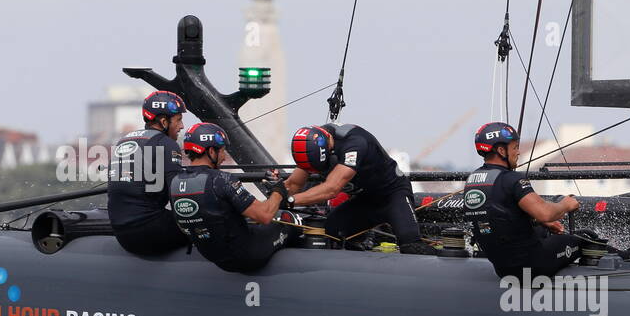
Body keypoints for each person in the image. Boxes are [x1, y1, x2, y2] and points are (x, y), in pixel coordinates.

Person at [169, 123, 301, 273]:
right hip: (246, 256)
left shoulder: (175, 181)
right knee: (287, 219)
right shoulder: (221, 179)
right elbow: (265, 215)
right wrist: (278, 189)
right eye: (223, 151)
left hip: (215, 257)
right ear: (211, 151)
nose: (224, 158)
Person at [282, 122, 433, 254]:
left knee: (411, 246)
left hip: (393, 194)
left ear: (327, 147)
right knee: (330, 232)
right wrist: (272, 203)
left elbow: (331, 189)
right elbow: (293, 184)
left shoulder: (354, 143)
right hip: (365, 201)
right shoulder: (312, 148)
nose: (314, 172)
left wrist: (289, 200)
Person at [461, 122, 583, 278]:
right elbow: (546, 213)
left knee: (542, 232)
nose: (518, 152)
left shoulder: (473, 180)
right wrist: (566, 204)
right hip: (533, 267)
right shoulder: (512, 179)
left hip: (503, 269)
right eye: (515, 147)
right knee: (585, 238)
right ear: (501, 150)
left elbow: (500, 215)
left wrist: (539, 222)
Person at [106, 90, 188, 256]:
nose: (182, 126)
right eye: (178, 120)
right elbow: (179, 196)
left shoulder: (124, 140)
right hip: (150, 234)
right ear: (164, 121)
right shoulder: (165, 143)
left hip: (122, 235)